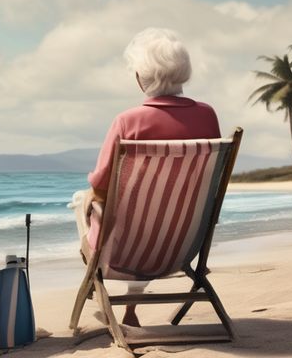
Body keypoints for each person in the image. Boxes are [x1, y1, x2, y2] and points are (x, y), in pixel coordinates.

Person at [71, 27, 220, 327]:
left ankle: (96, 285)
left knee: (84, 202)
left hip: (123, 251)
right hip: (182, 246)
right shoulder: (207, 116)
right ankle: (130, 309)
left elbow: (100, 185)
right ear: (184, 72)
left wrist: (88, 199)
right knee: (154, 215)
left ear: (140, 77)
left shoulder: (128, 121)